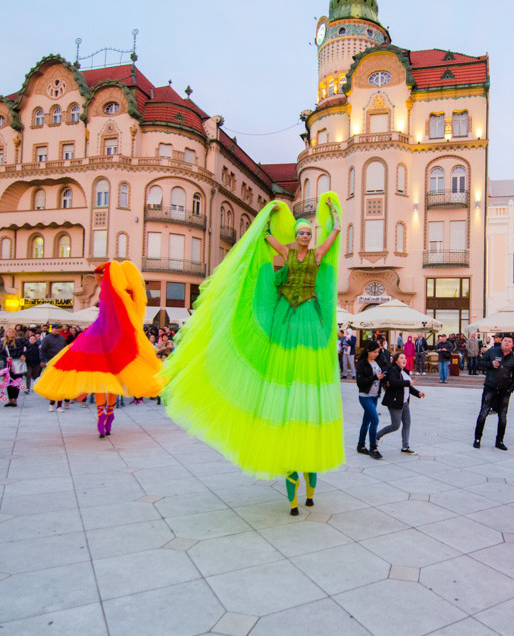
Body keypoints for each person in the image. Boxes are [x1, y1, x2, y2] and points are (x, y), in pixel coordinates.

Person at [163, 193, 344, 515]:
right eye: (301, 232)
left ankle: (307, 490)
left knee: (305, 370)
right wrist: (270, 213)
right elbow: (266, 237)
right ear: (296, 236)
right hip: (286, 319)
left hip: (308, 319)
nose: (304, 236)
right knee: (286, 367)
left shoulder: (317, 254)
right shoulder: (287, 252)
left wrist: (333, 217)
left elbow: (335, 234)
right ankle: (295, 494)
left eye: (307, 233)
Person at [35, 262, 165, 438]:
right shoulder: (129, 294)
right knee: (114, 380)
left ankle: (100, 414)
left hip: (98, 336)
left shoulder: (107, 290)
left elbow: (97, 274)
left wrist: (105, 266)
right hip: (119, 338)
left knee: (98, 379)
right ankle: (110, 412)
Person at [474, 335, 514, 450]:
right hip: (490, 386)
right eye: (505, 341)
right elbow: (480, 362)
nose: (506, 343)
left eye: (509, 341)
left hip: (504, 390)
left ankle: (499, 440)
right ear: (502, 342)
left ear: (512, 345)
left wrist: (511, 388)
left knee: (503, 416)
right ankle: (477, 438)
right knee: (483, 413)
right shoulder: (492, 352)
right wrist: (490, 364)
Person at [377, 351, 425, 454]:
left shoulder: (405, 372)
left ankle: (405, 446)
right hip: (395, 402)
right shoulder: (393, 370)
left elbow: (408, 387)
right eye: (401, 358)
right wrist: (408, 382)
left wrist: (418, 393)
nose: (404, 360)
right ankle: (377, 436)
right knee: (395, 426)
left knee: (407, 423)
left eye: (404, 358)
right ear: (395, 361)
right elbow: (393, 382)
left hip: (404, 402)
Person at [355, 340, 385, 459]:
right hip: (365, 396)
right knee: (375, 420)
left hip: (374, 396)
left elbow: (379, 376)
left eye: (377, 352)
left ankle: (361, 445)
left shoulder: (377, 362)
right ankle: (373, 447)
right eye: (374, 352)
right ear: (368, 351)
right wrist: (374, 377)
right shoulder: (362, 363)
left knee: (366, 421)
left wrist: (383, 378)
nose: (376, 354)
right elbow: (360, 381)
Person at [39, 325, 68, 412]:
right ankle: (52, 403)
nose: (58, 330)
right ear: (53, 329)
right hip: (50, 361)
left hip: (61, 362)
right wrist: (42, 360)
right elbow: (43, 349)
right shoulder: (47, 338)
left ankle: (59, 405)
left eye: (59, 328)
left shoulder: (62, 338)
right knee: (53, 383)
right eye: (56, 328)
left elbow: (65, 349)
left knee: (60, 383)